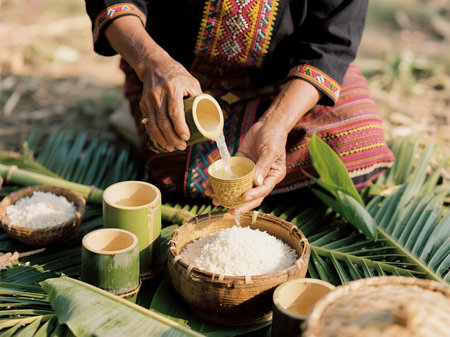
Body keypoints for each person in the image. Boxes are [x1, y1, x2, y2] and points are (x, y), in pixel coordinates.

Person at [85, 0, 394, 214]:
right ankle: (142, 112)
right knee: (175, 164)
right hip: (175, 74)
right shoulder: (159, 66)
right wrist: (152, 64)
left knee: (357, 147)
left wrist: (276, 124)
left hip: (283, 81)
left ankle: (145, 124)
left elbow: (330, 44)